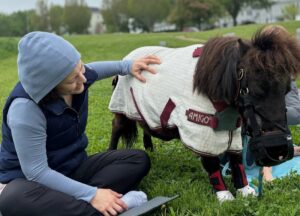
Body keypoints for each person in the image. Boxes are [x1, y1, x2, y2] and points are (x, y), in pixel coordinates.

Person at [0, 31, 161, 216]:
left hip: (73, 169)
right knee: (12, 199)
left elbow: (97, 70)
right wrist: (92, 194)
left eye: (80, 69)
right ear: (50, 86)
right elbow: (37, 173)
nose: (84, 80)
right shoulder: (25, 110)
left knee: (137, 160)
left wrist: (128, 65)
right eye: (73, 79)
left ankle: (71, 206)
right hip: (32, 184)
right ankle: (118, 205)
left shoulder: (77, 76)